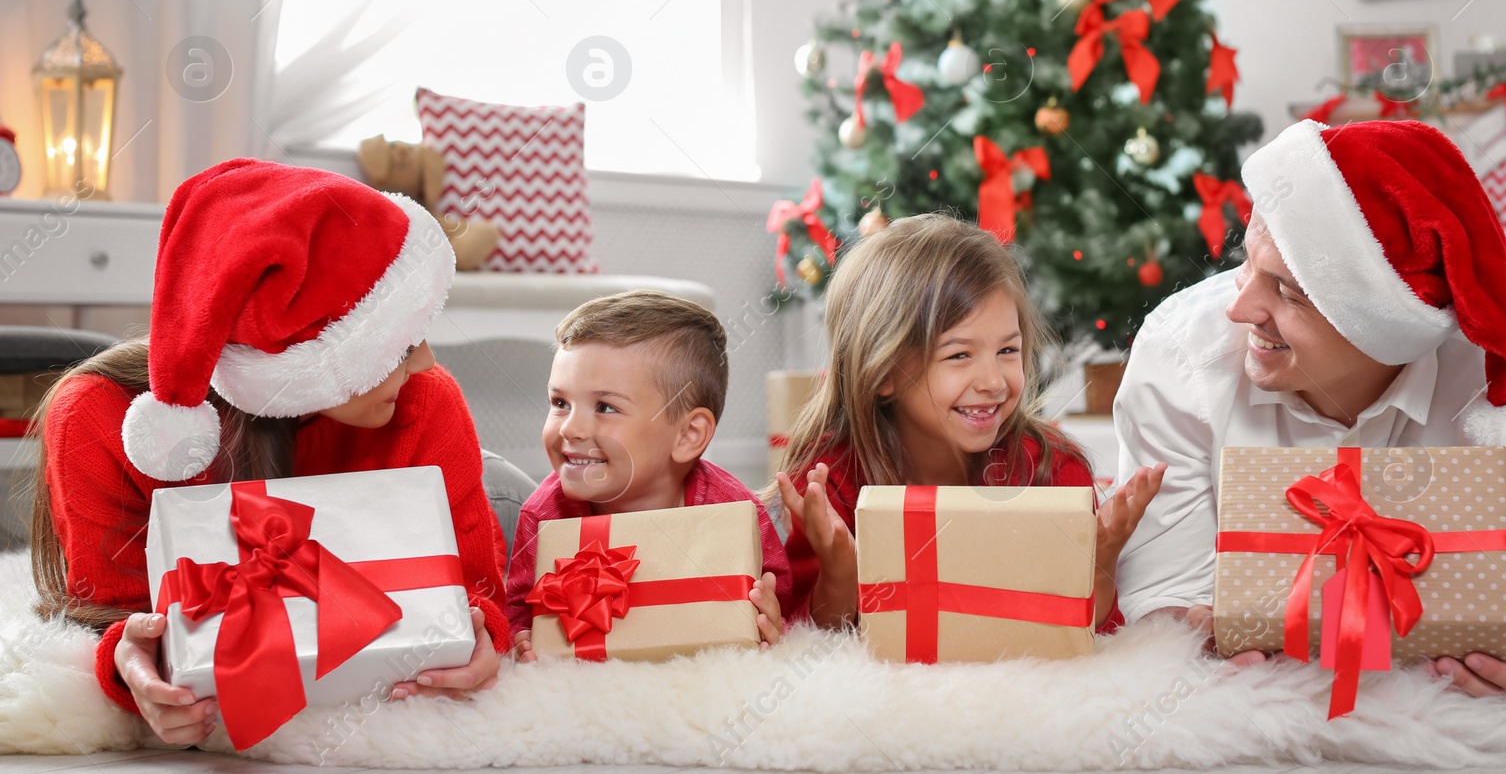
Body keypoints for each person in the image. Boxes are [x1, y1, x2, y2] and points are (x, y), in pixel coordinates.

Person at [29, 158, 509, 746]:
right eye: (400, 342)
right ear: (306, 358)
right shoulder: (100, 417)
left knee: (530, 508)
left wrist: (489, 638)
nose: (428, 361)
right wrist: (133, 665)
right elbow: (113, 610)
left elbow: (480, 590)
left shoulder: (422, 399)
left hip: (502, 488)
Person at [1115, 119, 1506, 697]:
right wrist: (1183, 629)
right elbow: (1166, 585)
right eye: (1246, 262)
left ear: (1383, 328)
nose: (1240, 308)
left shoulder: (1505, 366)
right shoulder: (1179, 354)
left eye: (1286, 291)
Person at [776, 213, 1164, 630]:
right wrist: (840, 573)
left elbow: (1092, 636)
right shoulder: (829, 479)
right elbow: (812, 642)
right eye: (959, 355)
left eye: (1008, 351)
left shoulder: (1051, 470)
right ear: (884, 373)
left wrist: (1099, 564)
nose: (994, 381)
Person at [506, 290, 791, 657]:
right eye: (560, 403)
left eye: (605, 407)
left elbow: (780, 596)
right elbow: (516, 607)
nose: (569, 429)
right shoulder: (545, 515)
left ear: (688, 435)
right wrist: (521, 638)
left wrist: (772, 619)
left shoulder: (733, 512)